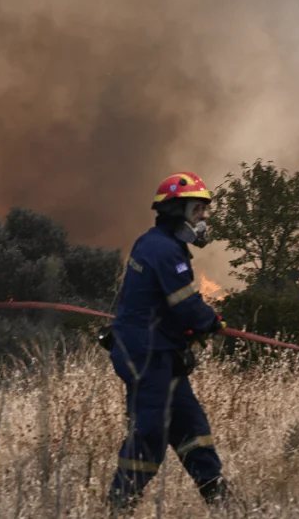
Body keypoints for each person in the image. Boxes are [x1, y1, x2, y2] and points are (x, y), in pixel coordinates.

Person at [103, 172, 229, 512]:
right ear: (177, 210)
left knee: (193, 430)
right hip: (148, 356)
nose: (204, 217)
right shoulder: (163, 249)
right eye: (198, 209)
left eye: (205, 210)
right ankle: (119, 505)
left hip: (161, 353)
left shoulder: (157, 244)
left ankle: (222, 503)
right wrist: (210, 322)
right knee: (149, 434)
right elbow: (186, 305)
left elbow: (168, 307)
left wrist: (189, 331)